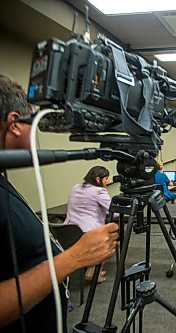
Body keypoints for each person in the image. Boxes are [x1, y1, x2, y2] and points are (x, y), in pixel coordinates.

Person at [0, 74, 118, 332]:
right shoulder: (99, 192)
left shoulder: (77, 185)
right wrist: (74, 258)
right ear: (14, 124)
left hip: (67, 229)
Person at [64, 166, 115, 283]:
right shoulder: (99, 191)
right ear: (98, 179)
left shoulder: (76, 187)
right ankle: (93, 270)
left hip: (69, 231)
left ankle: (87, 261)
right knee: (116, 238)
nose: (108, 181)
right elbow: (114, 212)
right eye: (106, 178)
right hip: (89, 233)